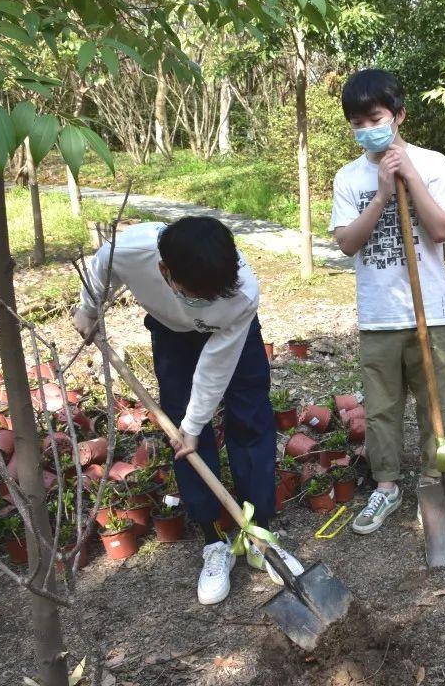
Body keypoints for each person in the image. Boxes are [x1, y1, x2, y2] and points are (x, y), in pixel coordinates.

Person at [73, 217, 302, 606]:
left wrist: (196, 423)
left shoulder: (240, 293)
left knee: (250, 420)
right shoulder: (130, 251)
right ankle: (214, 539)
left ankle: (259, 532)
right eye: (198, 297)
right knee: (182, 435)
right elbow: (100, 267)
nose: (207, 304)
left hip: (234, 335)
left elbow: (216, 367)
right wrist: (88, 308)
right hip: (172, 335)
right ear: (165, 271)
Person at [329, 69, 445, 534]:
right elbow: (347, 243)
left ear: (399, 115)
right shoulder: (349, 177)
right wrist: (384, 194)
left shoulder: (433, 163)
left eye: (375, 119)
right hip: (378, 315)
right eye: (358, 123)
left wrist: (408, 176)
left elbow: (441, 229)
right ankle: (386, 486)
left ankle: (433, 480)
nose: (367, 129)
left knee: (435, 402)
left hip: (432, 312)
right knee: (382, 407)